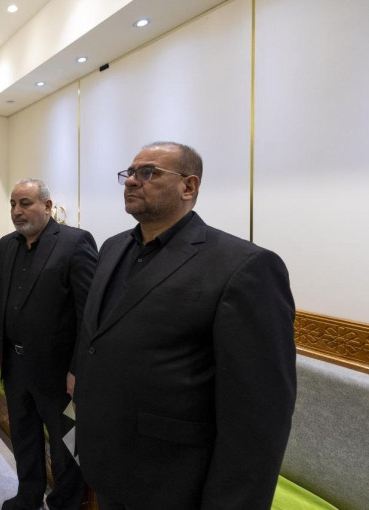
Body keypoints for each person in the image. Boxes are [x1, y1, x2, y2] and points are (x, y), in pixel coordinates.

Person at [72, 142, 296, 510]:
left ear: (188, 186)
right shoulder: (112, 248)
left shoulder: (244, 266)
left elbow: (258, 415)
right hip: (107, 463)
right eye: (129, 173)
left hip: (173, 477)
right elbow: (97, 337)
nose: (131, 181)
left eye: (148, 172)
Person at [0, 179, 97, 510]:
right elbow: (0, 299)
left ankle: (66, 502)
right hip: (15, 364)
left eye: (25, 203)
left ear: (47, 207)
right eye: (13, 204)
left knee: (66, 443)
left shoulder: (75, 243)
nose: (17, 211)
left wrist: (78, 368)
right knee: (24, 435)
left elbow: (89, 314)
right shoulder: (7, 245)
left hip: (59, 371)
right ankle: (28, 494)